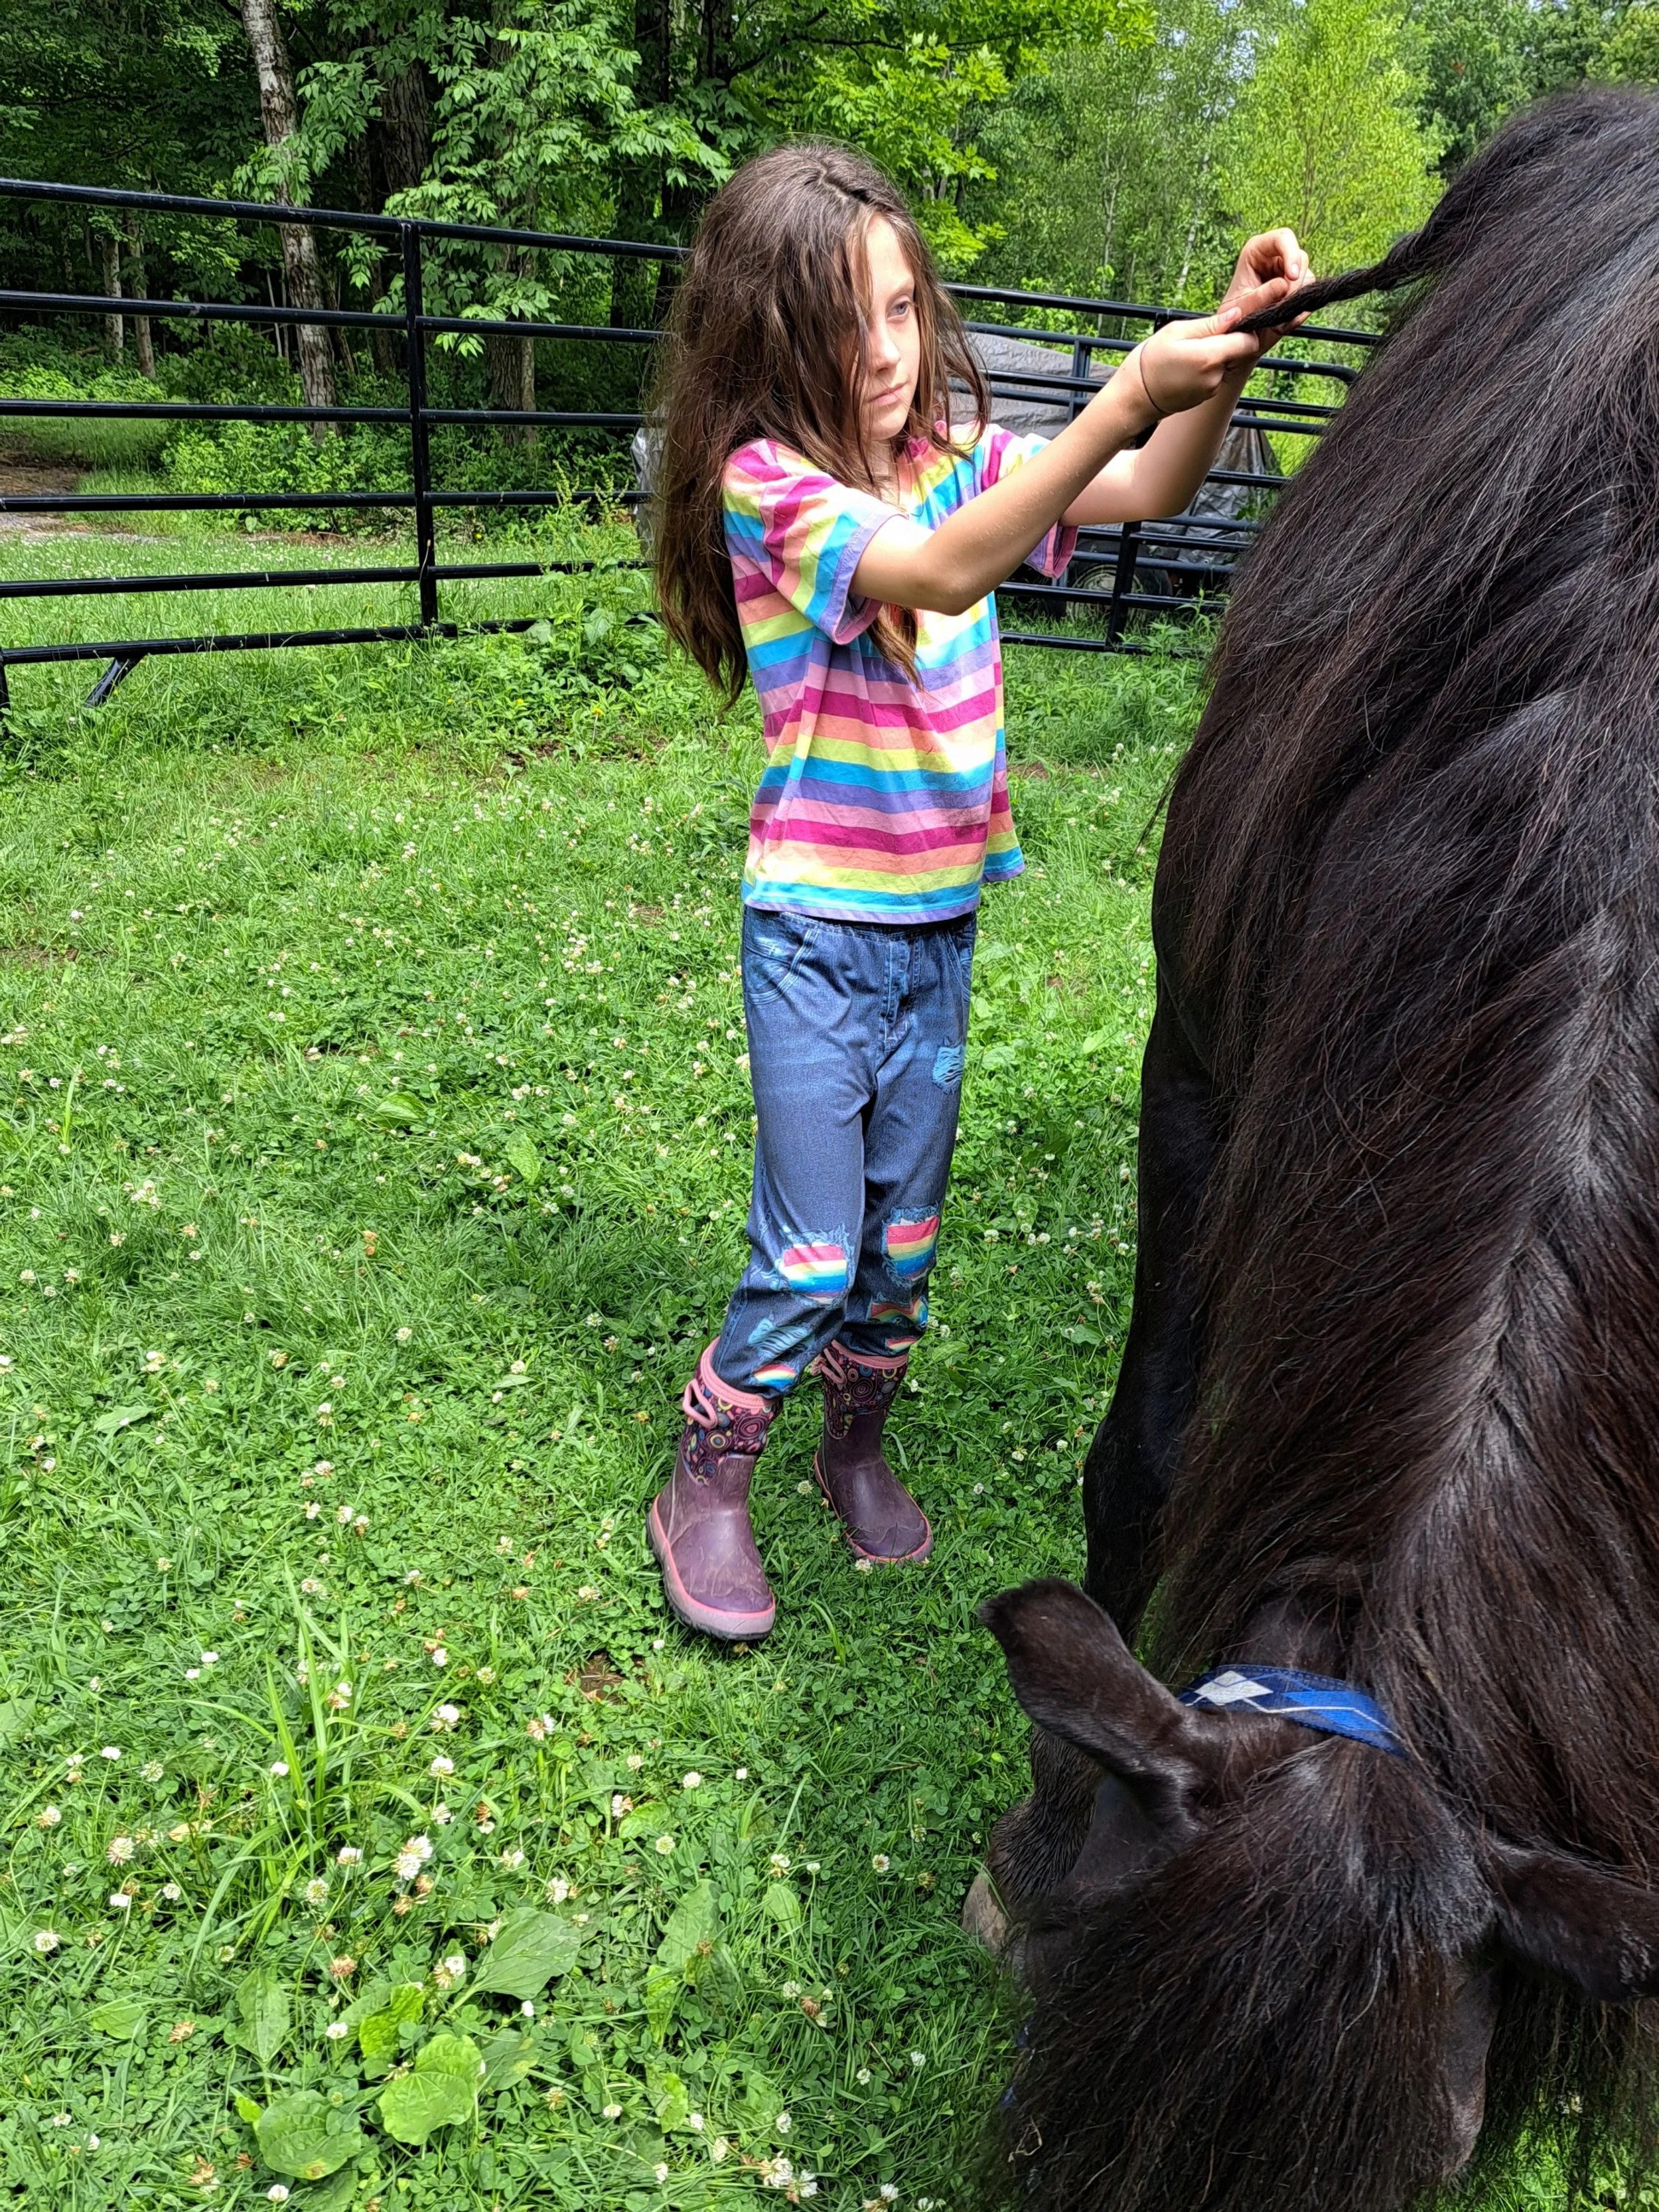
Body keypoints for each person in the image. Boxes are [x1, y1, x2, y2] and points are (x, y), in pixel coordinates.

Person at [646, 139, 1307, 1641]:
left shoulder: (953, 446)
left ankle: (853, 1443)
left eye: (897, 310)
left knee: (898, 1249)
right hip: (814, 937)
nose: (881, 353)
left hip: (935, 933)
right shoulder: (773, 489)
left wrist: (1219, 360)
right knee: (809, 1246)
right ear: (767, 341)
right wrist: (1119, 392)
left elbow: (1140, 484)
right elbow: (941, 573)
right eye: (839, 326)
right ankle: (707, 1480)